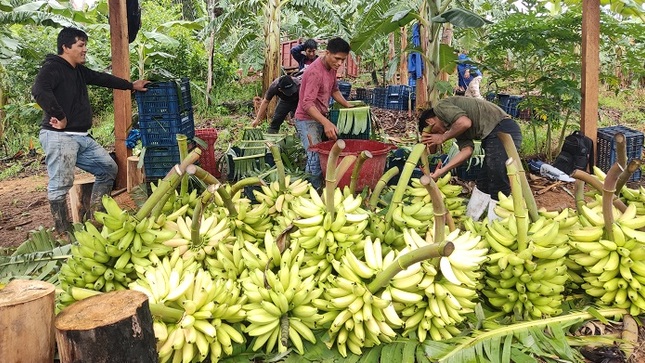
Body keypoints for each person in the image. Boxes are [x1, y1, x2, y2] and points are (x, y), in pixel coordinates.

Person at [32, 27, 150, 235]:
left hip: (82, 137)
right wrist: (59, 115)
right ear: (65, 47)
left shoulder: (77, 70)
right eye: (80, 45)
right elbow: (40, 90)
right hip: (60, 138)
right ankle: (63, 232)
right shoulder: (53, 67)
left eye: (85, 45)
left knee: (107, 168)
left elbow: (102, 79)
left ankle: (96, 216)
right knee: (61, 185)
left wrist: (131, 85)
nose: (85, 49)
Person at [418, 96, 522, 199]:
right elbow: (467, 151)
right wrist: (442, 171)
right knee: (484, 181)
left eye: (434, 132)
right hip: (492, 135)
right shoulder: (454, 127)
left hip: (503, 129)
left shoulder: (441, 107)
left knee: (498, 177)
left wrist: (442, 137)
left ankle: (500, 212)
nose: (439, 133)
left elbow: (465, 122)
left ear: (429, 122)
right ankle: (477, 214)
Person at [294, 37, 354, 189]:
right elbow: (307, 104)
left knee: (321, 155)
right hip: (306, 119)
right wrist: (326, 123)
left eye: (343, 60)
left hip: (320, 117)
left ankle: (316, 186)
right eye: (337, 59)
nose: (340, 63)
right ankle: (311, 191)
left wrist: (348, 105)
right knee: (314, 156)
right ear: (327, 53)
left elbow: (334, 90)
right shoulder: (315, 72)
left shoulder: (331, 69)